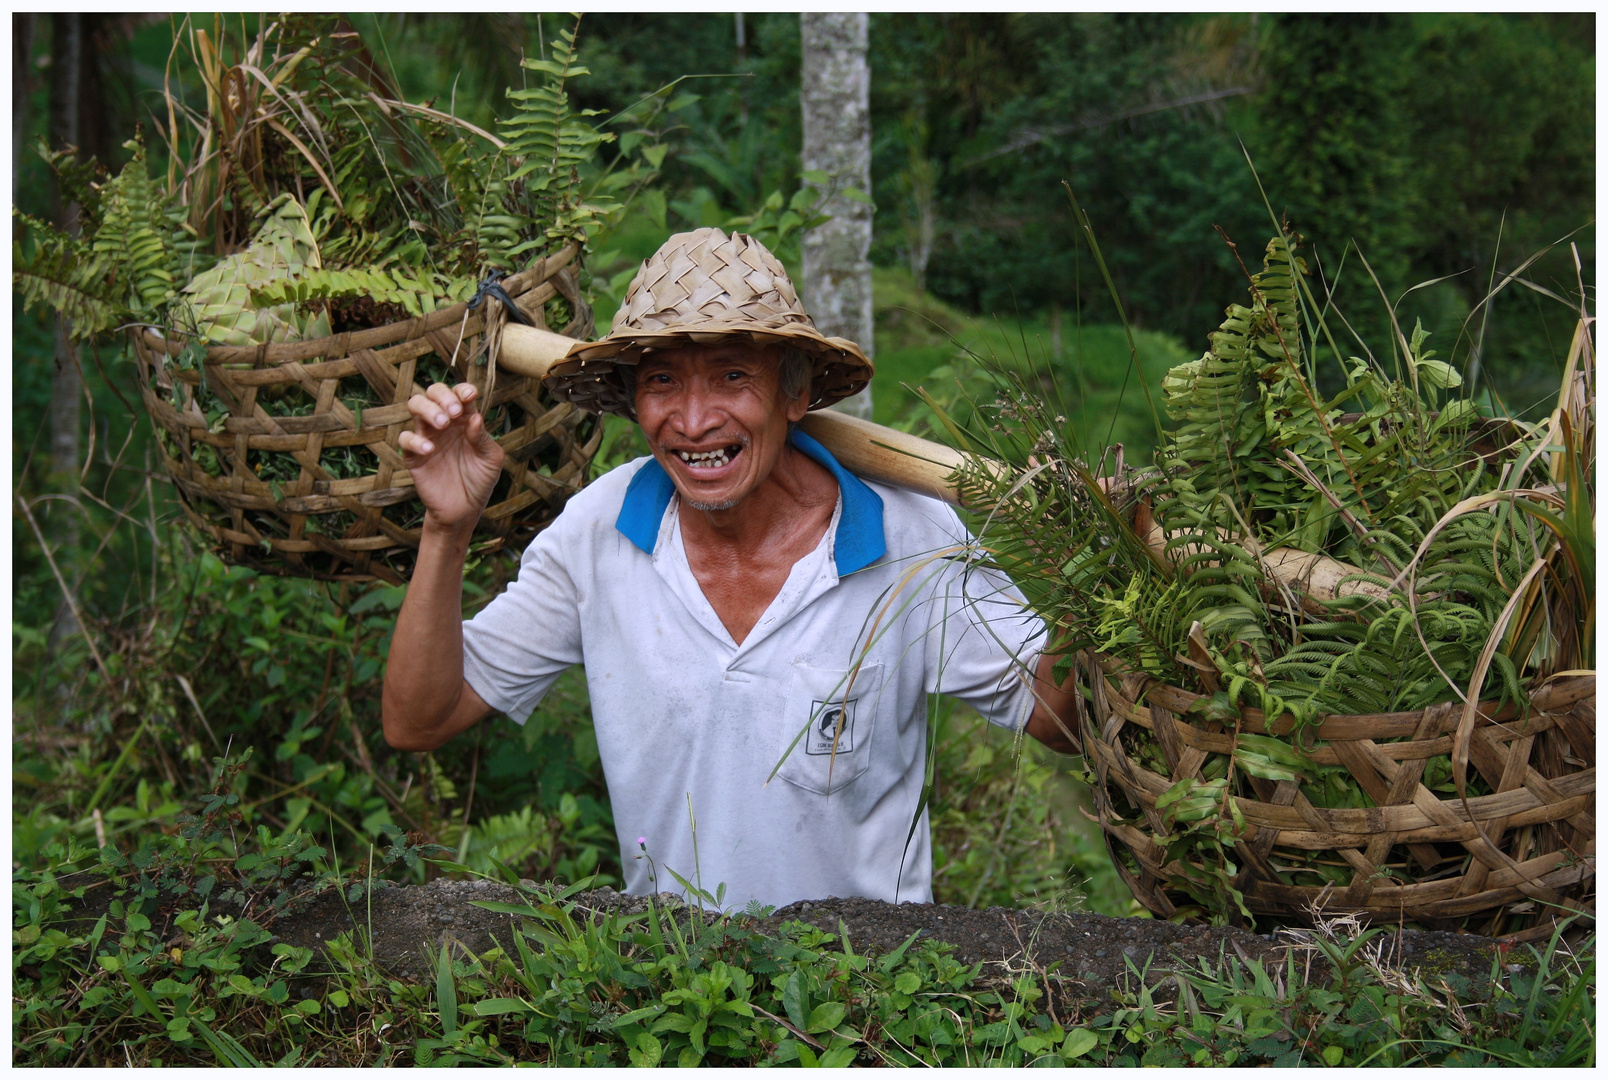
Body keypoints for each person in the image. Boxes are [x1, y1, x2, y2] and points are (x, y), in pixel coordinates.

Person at [383, 227, 1080, 909]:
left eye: (732, 377)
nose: (692, 421)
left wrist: (1096, 572)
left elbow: (1058, 718)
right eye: (662, 382)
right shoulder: (599, 534)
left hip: (868, 996)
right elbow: (420, 720)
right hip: (678, 995)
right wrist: (447, 528)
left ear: (794, 395)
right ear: (634, 402)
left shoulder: (911, 537)